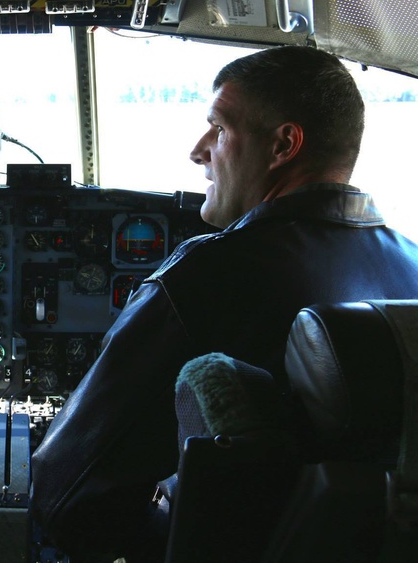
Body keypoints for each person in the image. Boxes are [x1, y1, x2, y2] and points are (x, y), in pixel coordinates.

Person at [30, 46, 418, 562]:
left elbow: (64, 494)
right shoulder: (412, 272)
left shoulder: (207, 274)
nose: (198, 150)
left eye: (219, 128)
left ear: (284, 144)